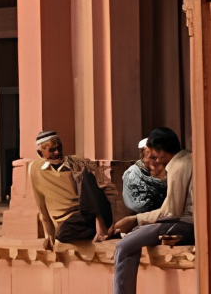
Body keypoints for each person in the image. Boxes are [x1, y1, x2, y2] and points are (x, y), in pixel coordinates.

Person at [109, 126, 193, 294]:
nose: (154, 161)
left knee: (124, 246)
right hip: (183, 222)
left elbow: (171, 212)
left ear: (162, 152)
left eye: (154, 155)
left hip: (186, 223)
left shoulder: (178, 165)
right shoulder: (186, 159)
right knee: (132, 237)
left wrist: (136, 219)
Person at [28, 130, 114, 246]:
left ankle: (101, 226)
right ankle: (108, 230)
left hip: (93, 210)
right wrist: (48, 235)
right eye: (52, 150)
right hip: (74, 221)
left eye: (59, 148)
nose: (57, 152)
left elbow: (98, 187)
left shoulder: (76, 162)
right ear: (40, 153)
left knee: (85, 175)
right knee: (63, 235)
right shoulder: (35, 169)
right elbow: (42, 207)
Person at [120, 138, 168, 216]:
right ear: (143, 156)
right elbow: (136, 206)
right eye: (152, 157)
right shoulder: (132, 174)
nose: (157, 161)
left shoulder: (162, 171)